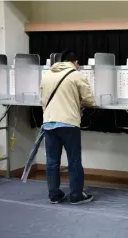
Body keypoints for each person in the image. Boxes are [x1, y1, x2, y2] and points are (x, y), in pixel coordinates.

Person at [40, 49, 96, 205]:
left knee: (51, 161)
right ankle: (76, 195)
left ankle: (54, 195)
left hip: (49, 122)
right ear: (75, 63)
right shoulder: (76, 75)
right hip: (69, 123)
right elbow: (89, 100)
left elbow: (42, 100)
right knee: (74, 161)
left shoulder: (47, 75)